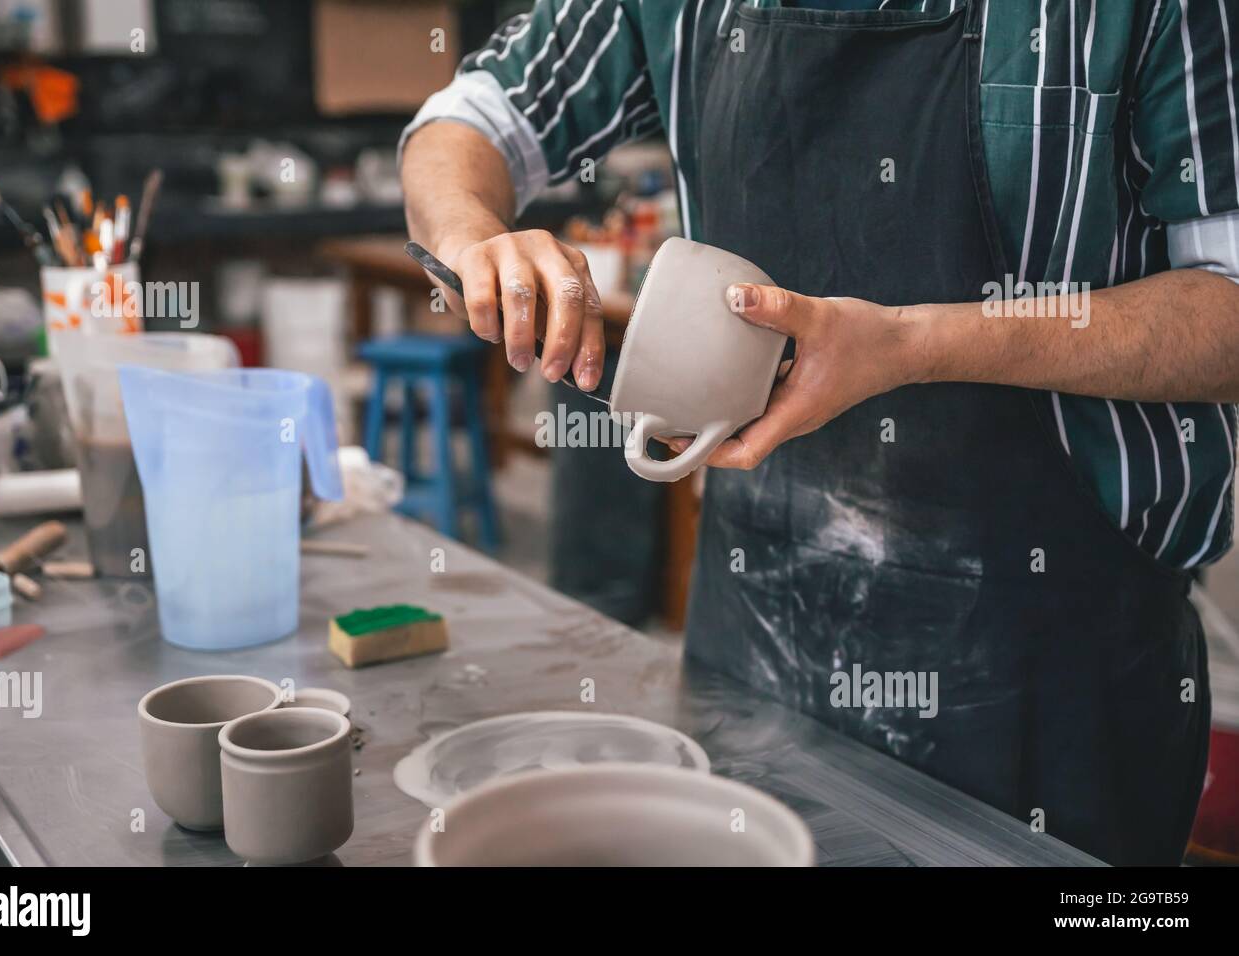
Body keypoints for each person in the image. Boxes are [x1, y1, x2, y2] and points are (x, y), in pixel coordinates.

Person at [400, 0, 1239, 865]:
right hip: (756, 623)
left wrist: (914, 343)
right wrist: (475, 240)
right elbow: (466, 121)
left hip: (1054, 672)